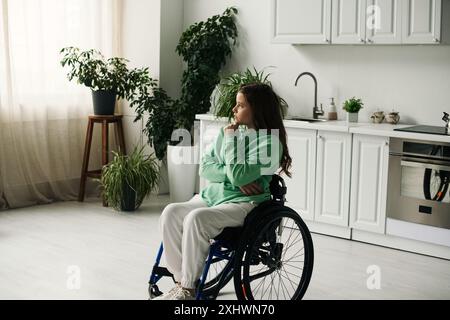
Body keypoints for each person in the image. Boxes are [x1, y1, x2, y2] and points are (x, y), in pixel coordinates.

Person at [153, 83, 292, 300]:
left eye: (240, 105)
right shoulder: (230, 132)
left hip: (245, 204)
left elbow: (238, 174)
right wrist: (235, 177)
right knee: (170, 212)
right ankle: (182, 282)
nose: (234, 110)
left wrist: (231, 146)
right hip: (214, 196)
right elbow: (208, 168)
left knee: (196, 219)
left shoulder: (269, 143)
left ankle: (188, 288)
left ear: (257, 109)